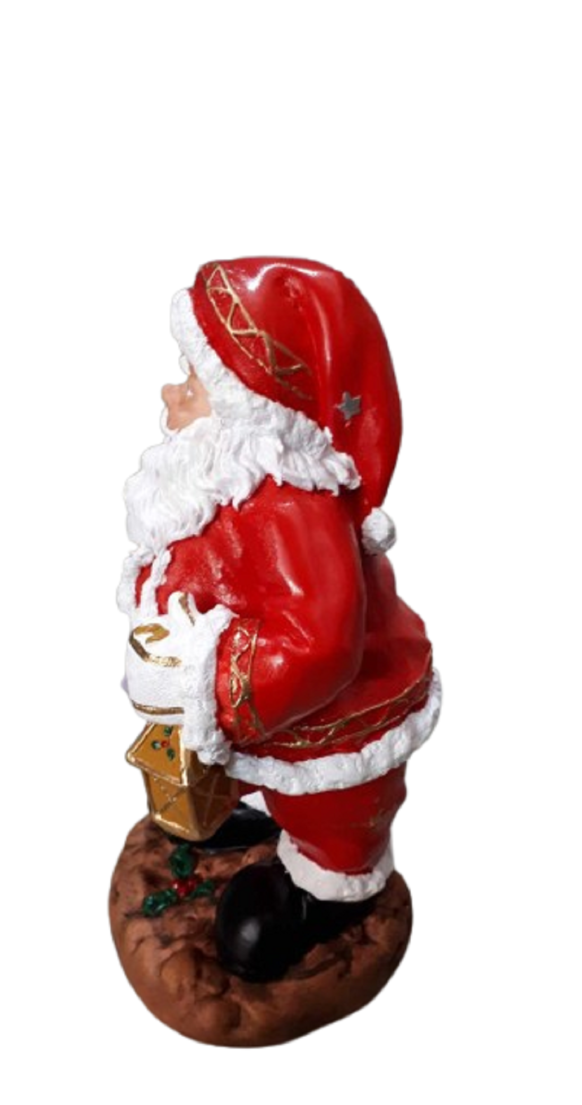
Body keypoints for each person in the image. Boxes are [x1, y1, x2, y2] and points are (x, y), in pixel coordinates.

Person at [118, 257, 441, 981]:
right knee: (237, 772)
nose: (173, 396)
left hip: (326, 715)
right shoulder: (220, 481)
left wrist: (202, 675)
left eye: (195, 383)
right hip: (259, 718)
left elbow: (320, 644)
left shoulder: (294, 509)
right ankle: (239, 806)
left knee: (336, 809)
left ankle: (325, 888)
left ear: (248, 413)